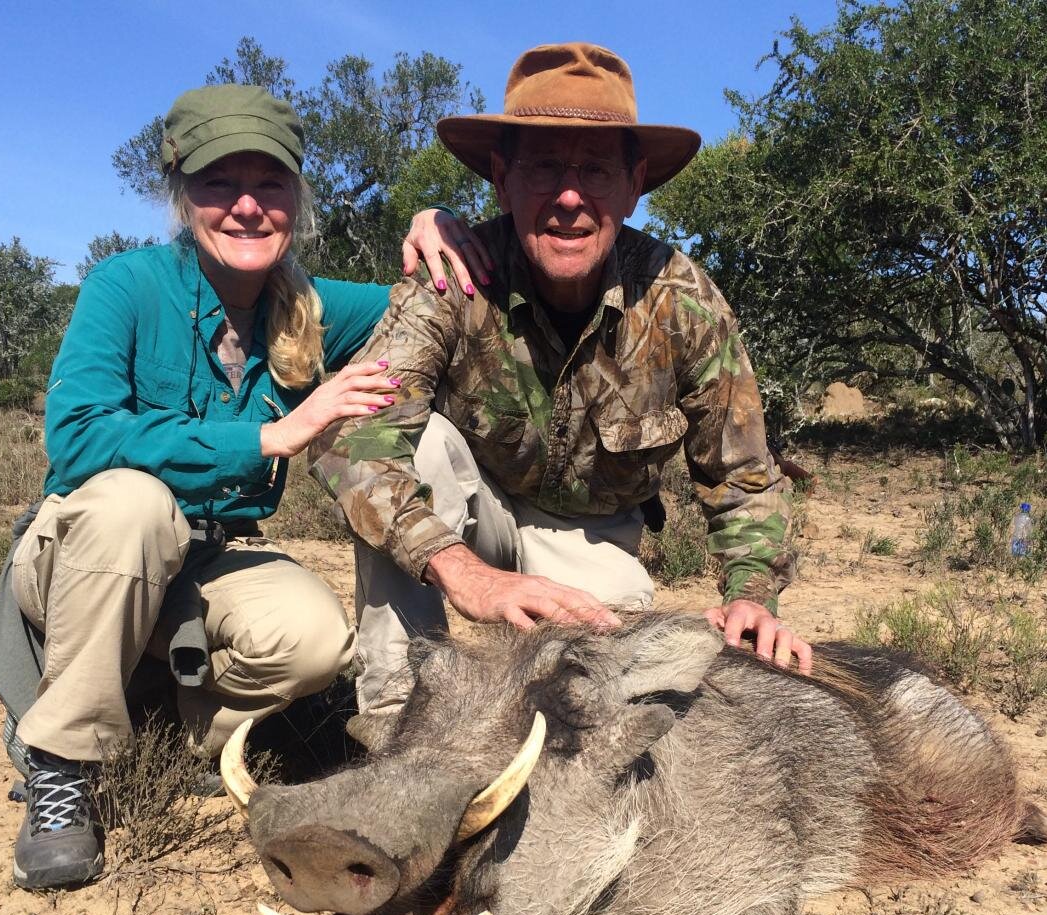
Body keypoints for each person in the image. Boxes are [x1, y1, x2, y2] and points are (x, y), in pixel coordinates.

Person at [0, 84, 489, 889]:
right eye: (221, 184)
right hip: (81, 556)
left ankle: (173, 737)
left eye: (271, 184)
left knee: (317, 638)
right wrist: (270, 435)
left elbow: (425, 294)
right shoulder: (124, 285)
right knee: (133, 503)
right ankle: (62, 770)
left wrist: (436, 221)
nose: (247, 207)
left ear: (298, 198)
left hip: (199, 565)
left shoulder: (313, 305)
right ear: (182, 196)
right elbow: (77, 436)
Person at [310, 43, 813, 715]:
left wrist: (751, 596)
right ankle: (398, 727)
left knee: (609, 709)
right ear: (501, 178)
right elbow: (351, 436)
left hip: (595, 538)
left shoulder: (683, 298)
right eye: (544, 165)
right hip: (473, 518)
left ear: (634, 187)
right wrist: (464, 572)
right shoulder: (451, 278)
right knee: (418, 448)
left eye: (596, 170)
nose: (569, 197)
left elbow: (744, 477)